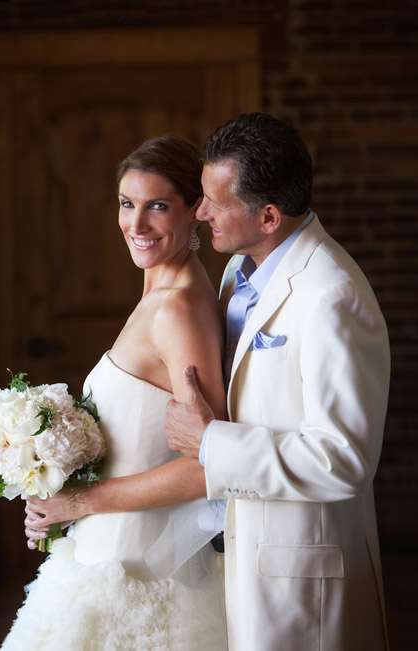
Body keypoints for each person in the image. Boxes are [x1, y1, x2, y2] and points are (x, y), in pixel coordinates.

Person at [166, 113, 391, 651]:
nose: (199, 214)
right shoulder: (235, 272)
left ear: (268, 216)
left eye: (214, 204)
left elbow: (345, 460)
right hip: (236, 551)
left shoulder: (331, 295)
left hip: (300, 579)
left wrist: (212, 444)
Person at [0, 137, 229, 650]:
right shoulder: (156, 295)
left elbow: (209, 465)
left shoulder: (179, 311)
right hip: (105, 551)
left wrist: (79, 500)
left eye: (158, 207)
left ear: (196, 212)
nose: (137, 224)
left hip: (137, 567)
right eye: (128, 204)